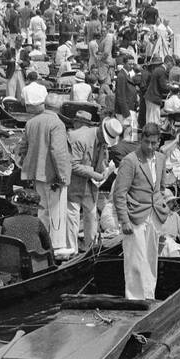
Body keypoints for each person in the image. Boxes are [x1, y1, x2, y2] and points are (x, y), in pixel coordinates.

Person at [113, 123, 176, 300]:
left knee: (150, 258)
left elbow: (161, 188)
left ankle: (148, 296)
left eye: (153, 143)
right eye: (146, 142)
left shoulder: (161, 158)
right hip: (135, 216)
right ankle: (134, 299)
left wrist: (162, 207)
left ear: (158, 142)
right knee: (135, 260)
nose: (149, 146)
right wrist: (124, 220)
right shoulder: (130, 161)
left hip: (154, 215)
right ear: (141, 140)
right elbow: (119, 193)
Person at [20, 99, 73, 260]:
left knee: (42, 211)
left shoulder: (31, 122)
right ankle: (56, 248)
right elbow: (58, 152)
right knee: (56, 212)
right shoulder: (57, 124)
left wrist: (26, 164)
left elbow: (23, 148)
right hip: (53, 175)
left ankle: (43, 244)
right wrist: (62, 176)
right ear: (59, 109)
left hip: (36, 174)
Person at [67, 107, 111, 255]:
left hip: (90, 185)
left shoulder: (102, 142)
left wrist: (104, 169)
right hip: (74, 184)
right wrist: (95, 174)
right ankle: (72, 251)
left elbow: (101, 161)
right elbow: (73, 165)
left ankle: (90, 248)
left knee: (91, 215)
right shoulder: (80, 138)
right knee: (72, 217)